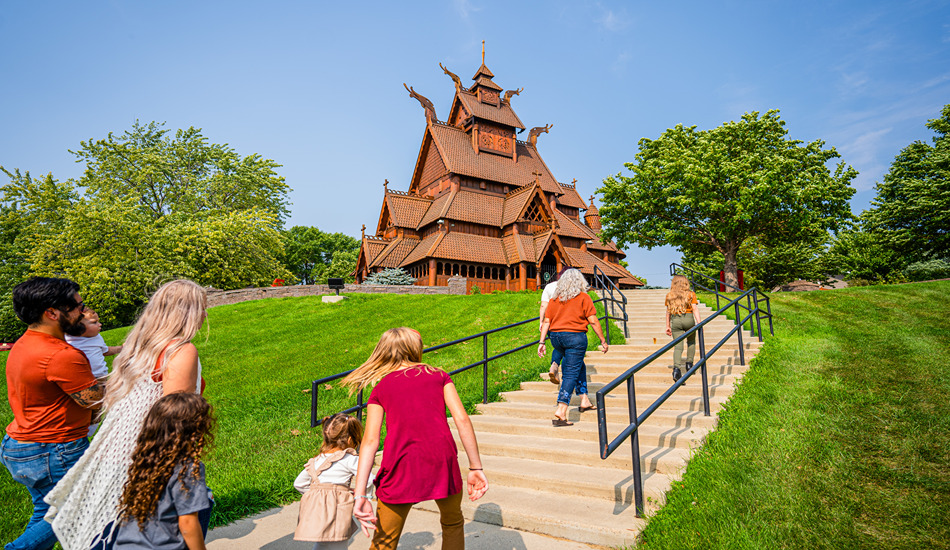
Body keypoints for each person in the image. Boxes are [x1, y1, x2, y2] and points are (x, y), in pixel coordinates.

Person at [44, 279, 209, 550]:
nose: (204, 315)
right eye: (201, 308)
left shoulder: (140, 346)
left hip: (119, 452)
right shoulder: (180, 350)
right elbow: (175, 415)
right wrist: (183, 463)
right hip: (153, 455)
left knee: (119, 530)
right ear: (186, 312)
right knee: (174, 527)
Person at [344, 327, 488, 550]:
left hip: (401, 465)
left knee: (384, 540)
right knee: (453, 523)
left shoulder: (381, 388)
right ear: (415, 348)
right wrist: (475, 467)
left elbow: (370, 442)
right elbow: (462, 419)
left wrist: (360, 493)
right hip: (442, 460)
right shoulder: (439, 376)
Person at [1, 277, 104, 550]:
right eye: (78, 307)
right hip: (54, 449)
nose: (83, 312)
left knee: (46, 513)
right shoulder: (61, 355)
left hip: (22, 446)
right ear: (52, 313)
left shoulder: (25, 343)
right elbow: (94, 401)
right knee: (73, 511)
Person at [113, 392, 214, 550]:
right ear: (194, 432)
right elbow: (188, 522)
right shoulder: (187, 468)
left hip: (126, 545)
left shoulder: (144, 461)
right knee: (207, 498)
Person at [537, 269, 608, 427]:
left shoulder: (555, 299)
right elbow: (594, 321)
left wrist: (542, 343)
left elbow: (546, 322)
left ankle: (584, 400)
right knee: (570, 373)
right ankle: (561, 411)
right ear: (580, 281)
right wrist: (603, 340)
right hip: (575, 338)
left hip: (556, 338)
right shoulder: (584, 297)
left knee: (578, 365)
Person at [293, 413, 375, 550]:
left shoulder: (317, 460)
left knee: (323, 542)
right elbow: (368, 479)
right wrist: (362, 496)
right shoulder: (350, 458)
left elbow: (299, 483)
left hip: (318, 510)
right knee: (338, 542)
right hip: (338, 508)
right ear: (350, 440)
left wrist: (317, 495)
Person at [65, 310, 123, 437]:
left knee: (101, 409)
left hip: (102, 378)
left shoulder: (97, 337)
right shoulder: (68, 340)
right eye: (94, 322)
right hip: (85, 380)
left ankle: (98, 431)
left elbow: (105, 350)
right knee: (88, 410)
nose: (100, 324)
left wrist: (121, 349)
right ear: (77, 326)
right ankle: (83, 434)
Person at [665, 274, 702, 382]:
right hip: (689, 319)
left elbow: (668, 313)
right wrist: (699, 323)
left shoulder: (669, 295)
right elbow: (695, 309)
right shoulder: (691, 294)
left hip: (676, 320)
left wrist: (667, 326)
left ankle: (676, 369)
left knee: (678, 346)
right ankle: (689, 364)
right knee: (691, 342)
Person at [538, 268, 568, 385]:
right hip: (566, 323)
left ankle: (554, 364)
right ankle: (566, 377)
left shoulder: (549, 287)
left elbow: (543, 306)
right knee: (566, 349)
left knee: (559, 347)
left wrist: (541, 322)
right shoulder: (570, 287)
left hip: (551, 323)